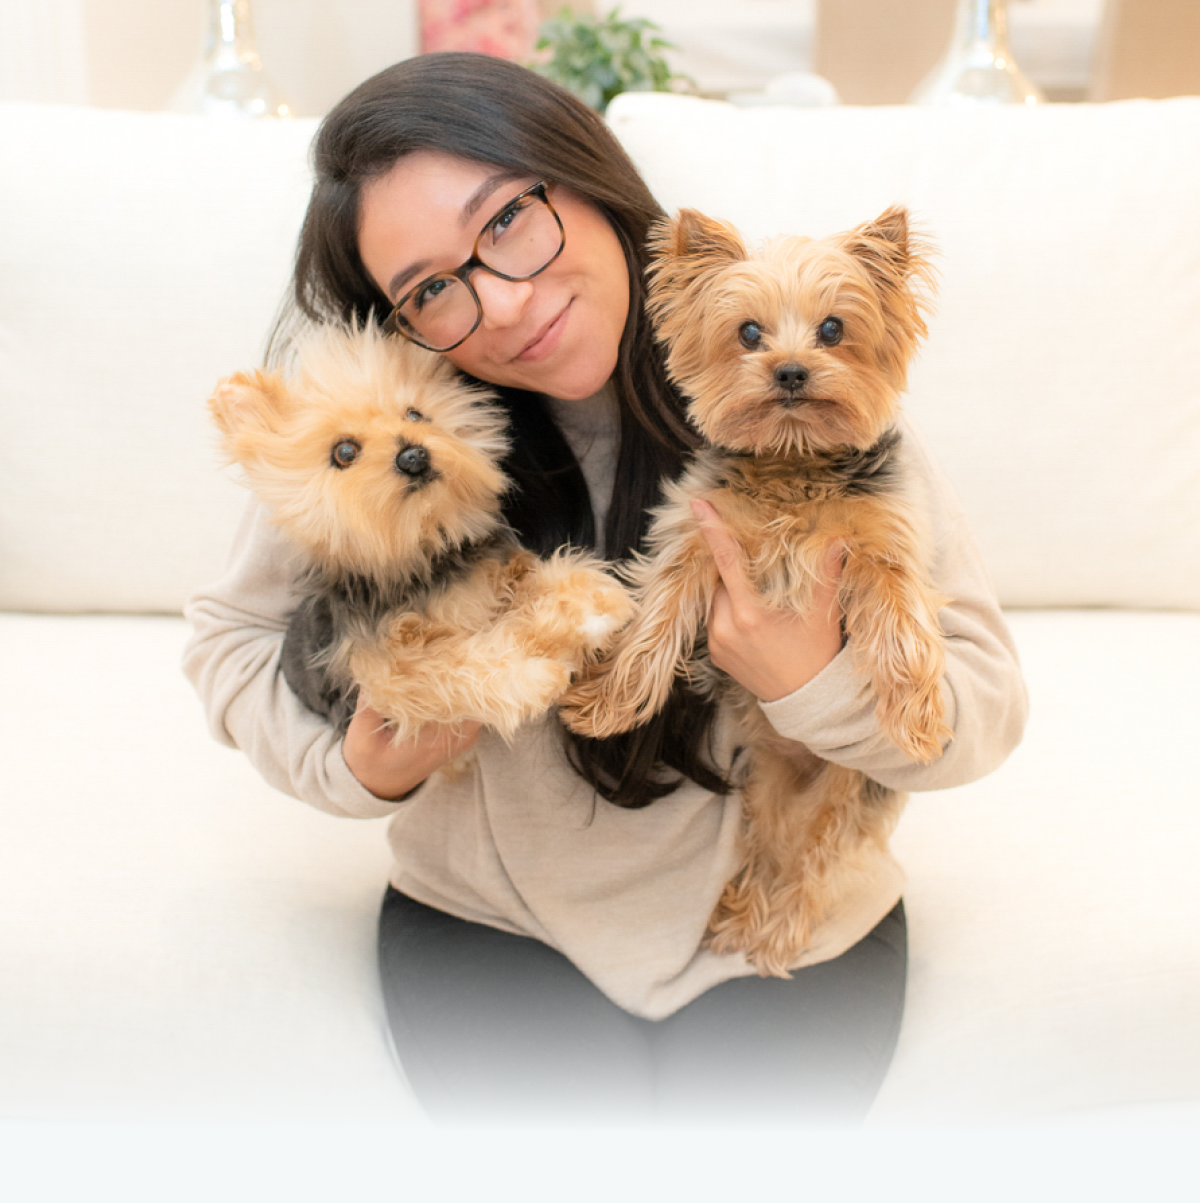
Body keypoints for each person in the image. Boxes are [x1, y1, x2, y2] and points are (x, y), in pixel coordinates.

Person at [183, 52, 1028, 1124]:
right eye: (433, 289)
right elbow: (228, 637)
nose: (503, 299)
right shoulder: (389, 429)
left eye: (507, 223)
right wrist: (356, 766)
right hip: (492, 922)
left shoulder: (812, 415)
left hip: (792, 925)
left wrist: (814, 683)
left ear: (585, 178)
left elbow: (984, 706)